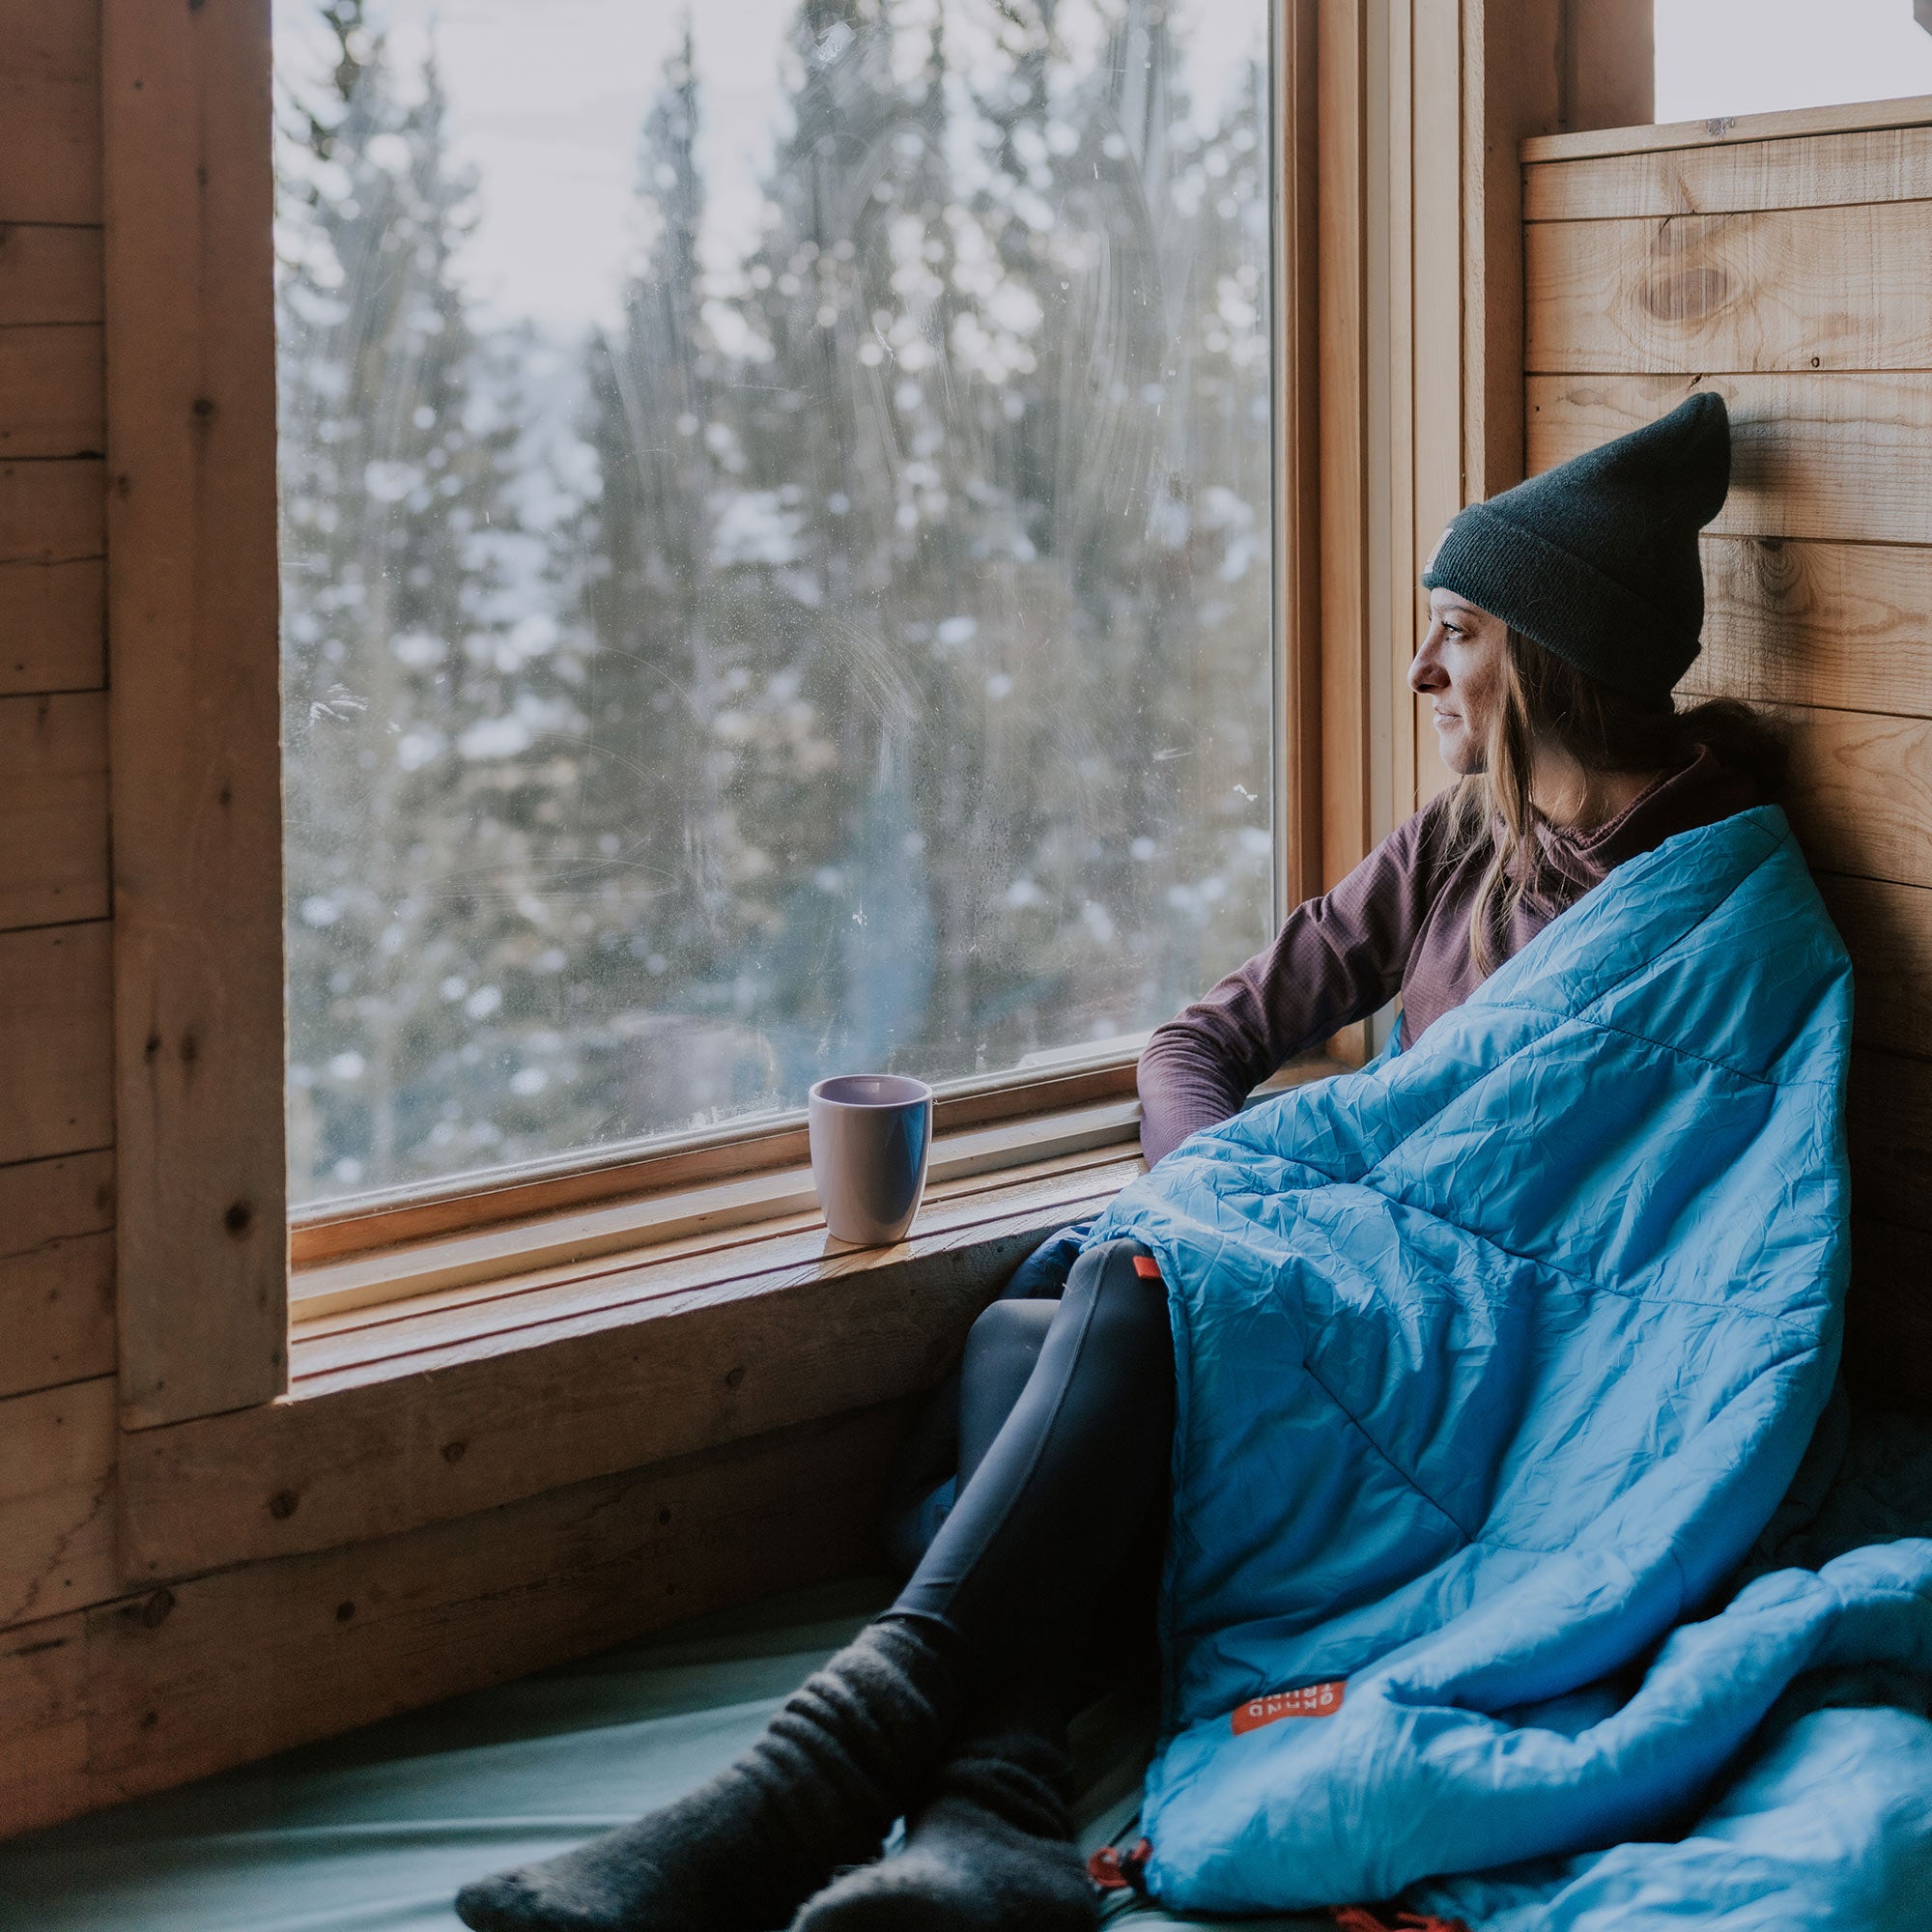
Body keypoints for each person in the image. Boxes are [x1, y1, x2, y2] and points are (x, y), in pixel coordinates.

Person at [457, 389, 1779, 1932]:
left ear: (1553, 654)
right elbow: (1196, 1045)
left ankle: (809, 1783)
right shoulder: (1453, 845)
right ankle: (991, 1819)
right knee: (1039, 1323)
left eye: (1460, 631)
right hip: (1349, 1270)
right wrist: (1233, 1213)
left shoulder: (1715, 901)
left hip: (1502, 1359)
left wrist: (1248, 1244)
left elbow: (1662, 1237)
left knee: (1101, 1309)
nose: (1421, 668)